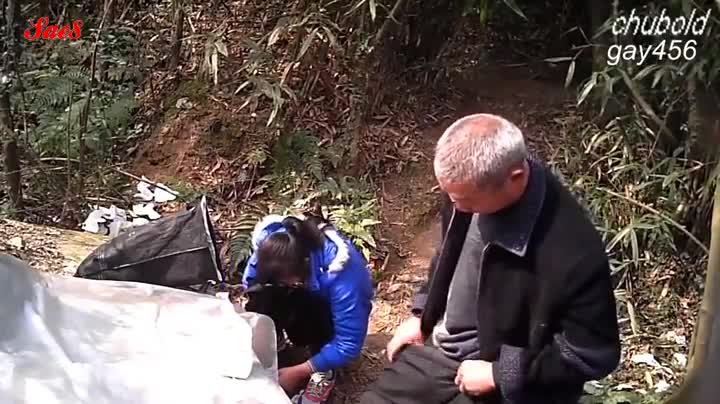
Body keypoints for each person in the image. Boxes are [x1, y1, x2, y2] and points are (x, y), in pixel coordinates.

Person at [360, 113, 621, 404]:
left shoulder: (572, 249)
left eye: (465, 200)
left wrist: (502, 373)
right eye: (450, 196)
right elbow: (447, 255)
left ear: (515, 178)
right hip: (444, 352)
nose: (456, 206)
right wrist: (422, 312)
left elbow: (591, 355)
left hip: (511, 382)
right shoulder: (465, 187)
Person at [241, 213, 374, 401]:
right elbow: (251, 282)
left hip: (326, 306)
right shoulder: (272, 244)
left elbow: (348, 344)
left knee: (318, 318)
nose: (284, 284)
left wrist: (300, 371)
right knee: (262, 292)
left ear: (304, 264)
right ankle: (274, 340)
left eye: (288, 280)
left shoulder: (345, 277)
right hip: (308, 288)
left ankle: (324, 370)